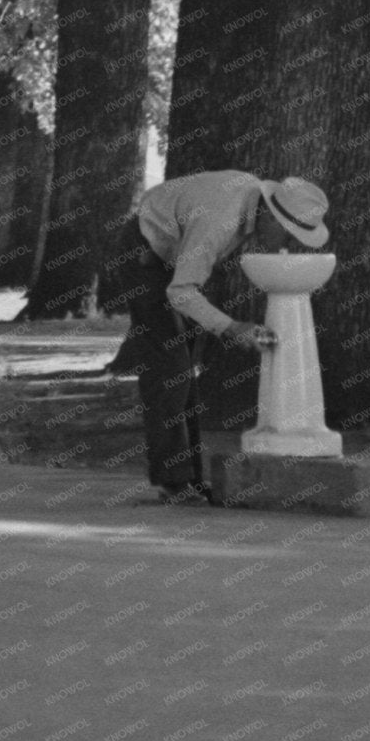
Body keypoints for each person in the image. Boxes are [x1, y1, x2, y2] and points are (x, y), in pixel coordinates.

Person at [109, 172, 331, 501]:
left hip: (174, 250)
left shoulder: (248, 205)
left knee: (184, 372)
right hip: (144, 252)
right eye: (288, 235)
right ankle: (173, 483)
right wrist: (231, 327)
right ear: (271, 214)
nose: (288, 246)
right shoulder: (219, 221)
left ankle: (190, 479)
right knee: (170, 371)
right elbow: (182, 292)